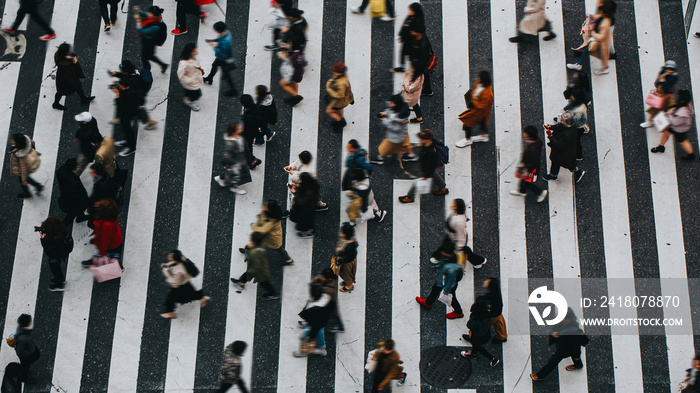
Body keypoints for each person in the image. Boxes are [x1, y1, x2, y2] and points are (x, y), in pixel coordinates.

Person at [531, 308, 587, 380]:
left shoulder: (573, 332)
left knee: (553, 361)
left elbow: (576, 345)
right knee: (573, 356)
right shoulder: (565, 322)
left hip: (565, 348)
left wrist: (577, 355)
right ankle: (578, 365)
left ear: (568, 319)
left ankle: (540, 375)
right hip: (564, 344)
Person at [429, 198, 487, 269]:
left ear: (457, 207)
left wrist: (459, 246)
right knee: (444, 247)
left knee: (464, 251)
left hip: (456, 239)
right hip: (452, 235)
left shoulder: (459, 222)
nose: (451, 205)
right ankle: (437, 257)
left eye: (453, 205)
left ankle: (479, 261)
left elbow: (462, 236)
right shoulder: (456, 213)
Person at [398, 129, 449, 203]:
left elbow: (430, 165)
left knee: (418, 182)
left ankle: (410, 196)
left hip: (426, 169)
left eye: (422, 139)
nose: (420, 140)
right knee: (433, 174)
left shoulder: (429, 151)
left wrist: (425, 175)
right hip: (428, 166)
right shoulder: (430, 144)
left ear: (428, 139)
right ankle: (442, 187)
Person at [566, 0, 615, 75]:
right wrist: (592, 18)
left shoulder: (606, 23)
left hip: (600, 35)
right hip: (601, 32)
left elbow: (601, 36)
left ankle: (604, 68)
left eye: (600, 2)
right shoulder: (604, 11)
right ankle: (612, 53)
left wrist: (593, 32)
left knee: (595, 48)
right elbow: (598, 16)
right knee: (592, 46)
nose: (597, 2)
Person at [415, 246, 465, 319]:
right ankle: (428, 302)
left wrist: (446, 290)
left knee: (452, 297)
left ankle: (458, 312)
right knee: (435, 288)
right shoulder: (452, 258)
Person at [239, 200, 294, 266]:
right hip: (269, 236)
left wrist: (253, 226)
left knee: (279, 249)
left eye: (266, 206)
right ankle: (288, 260)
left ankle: (289, 260)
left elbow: (263, 230)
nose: (264, 206)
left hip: (272, 239)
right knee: (278, 249)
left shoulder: (271, 222)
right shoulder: (274, 214)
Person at [160, 250, 210, 319]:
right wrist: (169, 264)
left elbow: (175, 282)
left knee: (172, 298)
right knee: (192, 294)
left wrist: (165, 272)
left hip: (181, 286)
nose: (169, 256)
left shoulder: (178, 271)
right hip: (186, 283)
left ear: (175, 259)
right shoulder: (182, 260)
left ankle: (170, 312)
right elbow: (176, 263)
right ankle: (202, 299)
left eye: (171, 256)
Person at [111, 59, 146, 156]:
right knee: (126, 127)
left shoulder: (129, 86)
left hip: (128, 109)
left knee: (126, 127)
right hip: (134, 106)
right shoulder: (135, 75)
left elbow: (123, 101)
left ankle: (131, 147)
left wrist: (117, 93)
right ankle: (127, 141)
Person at [231, 232, 280, 300]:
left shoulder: (255, 252)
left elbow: (257, 264)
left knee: (264, 283)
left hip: (259, 270)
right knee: (248, 274)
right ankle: (241, 282)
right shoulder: (260, 245)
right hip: (259, 267)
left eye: (251, 238)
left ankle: (273, 294)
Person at [370, 94, 417, 164]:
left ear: (396, 105)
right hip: (403, 133)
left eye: (392, 103)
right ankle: (411, 155)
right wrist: (386, 114)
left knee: (384, 148)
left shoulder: (399, 118)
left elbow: (396, 128)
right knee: (406, 144)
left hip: (396, 137)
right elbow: (393, 115)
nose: (390, 104)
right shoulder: (402, 111)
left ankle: (380, 158)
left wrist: (384, 120)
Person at [650, 89, 696, 160]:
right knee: (666, 133)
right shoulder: (687, 104)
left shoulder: (683, 113)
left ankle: (691, 155)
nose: (677, 97)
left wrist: (669, 114)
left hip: (680, 129)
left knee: (683, 141)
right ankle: (661, 147)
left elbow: (675, 122)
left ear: (682, 100)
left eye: (679, 96)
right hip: (677, 126)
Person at [542, 113, 586, 183]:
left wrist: (550, 135)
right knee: (556, 161)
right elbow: (560, 126)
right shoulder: (570, 125)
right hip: (563, 151)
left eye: (562, 120)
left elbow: (559, 144)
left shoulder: (568, 134)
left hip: (564, 152)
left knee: (568, 164)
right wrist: (551, 127)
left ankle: (578, 172)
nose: (560, 120)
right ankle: (553, 175)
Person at [82, 198, 124, 269]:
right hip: (116, 241)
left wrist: (101, 252)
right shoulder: (112, 216)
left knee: (112, 257)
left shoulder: (106, 225)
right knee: (115, 256)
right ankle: (120, 267)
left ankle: (119, 267)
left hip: (112, 245)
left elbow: (105, 241)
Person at [456, 71, 494, 147]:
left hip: (479, 112)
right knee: (482, 123)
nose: (477, 78)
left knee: (468, 122)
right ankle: (483, 136)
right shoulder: (481, 85)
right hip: (482, 112)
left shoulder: (487, 93)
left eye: (479, 78)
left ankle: (467, 140)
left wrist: (474, 98)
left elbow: (482, 106)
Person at [510, 126, 548, 202]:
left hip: (529, 168)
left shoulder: (532, 148)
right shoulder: (536, 142)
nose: (524, 134)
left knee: (526, 182)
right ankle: (522, 191)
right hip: (528, 165)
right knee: (523, 179)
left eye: (526, 133)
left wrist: (526, 169)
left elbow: (534, 161)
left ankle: (540, 192)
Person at [294, 282, 332, 357]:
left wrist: (311, 336)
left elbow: (315, 324)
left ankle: (304, 352)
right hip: (320, 321)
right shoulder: (325, 297)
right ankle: (321, 348)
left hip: (315, 322)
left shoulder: (316, 305)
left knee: (303, 336)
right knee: (320, 333)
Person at [52, 43, 94, 111]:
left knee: (77, 87)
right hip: (66, 80)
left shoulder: (60, 56)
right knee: (62, 91)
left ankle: (83, 98)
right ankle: (56, 104)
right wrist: (75, 62)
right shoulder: (64, 64)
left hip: (68, 76)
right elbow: (68, 77)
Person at [214, 122, 251, 194]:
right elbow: (228, 157)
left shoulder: (239, 137)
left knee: (231, 173)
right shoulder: (230, 144)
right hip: (235, 162)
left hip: (239, 160)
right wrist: (236, 164)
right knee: (237, 176)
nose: (241, 128)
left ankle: (220, 178)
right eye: (238, 128)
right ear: (234, 132)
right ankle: (234, 188)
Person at [460, 302, 500, 367]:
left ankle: (493, 359)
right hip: (486, 334)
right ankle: (473, 354)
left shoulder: (475, 319)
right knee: (475, 345)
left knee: (477, 346)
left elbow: (469, 325)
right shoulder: (486, 314)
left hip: (477, 336)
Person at [641, 60, 679, 128]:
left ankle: (651, 122)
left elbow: (667, 88)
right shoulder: (663, 73)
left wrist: (663, 81)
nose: (669, 71)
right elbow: (656, 84)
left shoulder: (674, 77)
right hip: (660, 95)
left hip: (667, 97)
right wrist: (661, 80)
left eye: (671, 69)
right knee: (658, 109)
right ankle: (652, 121)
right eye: (668, 69)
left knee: (659, 109)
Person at [203, 22, 237, 97]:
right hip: (224, 57)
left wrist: (214, 46)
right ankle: (209, 78)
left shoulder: (224, 42)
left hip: (224, 59)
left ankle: (233, 90)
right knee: (214, 65)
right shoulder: (227, 33)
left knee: (227, 75)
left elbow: (222, 54)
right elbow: (221, 38)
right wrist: (215, 40)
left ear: (218, 30)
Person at [39, 216, 73, 291]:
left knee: (55, 267)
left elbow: (49, 252)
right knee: (56, 266)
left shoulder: (54, 240)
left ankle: (60, 284)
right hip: (62, 251)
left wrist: (43, 239)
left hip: (56, 254)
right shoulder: (60, 230)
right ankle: (59, 279)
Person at [134, 5, 168, 73]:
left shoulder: (156, 26)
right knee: (149, 56)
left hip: (149, 42)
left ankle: (146, 71)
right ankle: (163, 65)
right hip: (148, 41)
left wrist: (138, 20)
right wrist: (137, 11)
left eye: (150, 13)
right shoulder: (155, 17)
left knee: (144, 58)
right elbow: (144, 14)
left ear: (154, 15)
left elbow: (142, 31)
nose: (148, 14)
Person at [392, 3, 424, 72]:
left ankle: (416, 68)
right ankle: (402, 66)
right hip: (406, 39)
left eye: (411, 10)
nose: (409, 11)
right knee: (403, 52)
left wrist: (413, 32)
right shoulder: (409, 17)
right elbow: (404, 25)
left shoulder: (418, 20)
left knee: (411, 55)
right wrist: (401, 34)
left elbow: (421, 30)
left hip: (412, 41)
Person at [9, 133, 43, 199]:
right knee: (27, 178)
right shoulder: (28, 141)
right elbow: (32, 144)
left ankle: (27, 193)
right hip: (28, 165)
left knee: (23, 180)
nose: (12, 141)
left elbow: (23, 169)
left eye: (14, 141)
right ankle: (38, 186)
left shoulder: (21, 156)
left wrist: (24, 179)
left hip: (22, 170)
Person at [56, 159, 89, 225]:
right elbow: (81, 192)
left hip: (65, 197)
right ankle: (60, 229)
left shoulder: (60, 171)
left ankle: (80, 217)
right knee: (70, 217)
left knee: (73, 212)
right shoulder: (74, 182)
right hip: (74, 201)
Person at [310, 268, 344, 333]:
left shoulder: (330, 288)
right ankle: (340, 327)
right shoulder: (328, 278)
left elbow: (325, 291)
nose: (322, 278)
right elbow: (319, 278)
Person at [406, 23, 433, 97]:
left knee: (420, 75)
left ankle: (425, 90)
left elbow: (422, 60)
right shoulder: (422, 36)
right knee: (424, 75)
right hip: (422, 60)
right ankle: (427, 90)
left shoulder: (422, 46)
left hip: (421, 63)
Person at [325, 62, 354, 132]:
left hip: (339, 101)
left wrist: (329, 90)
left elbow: (340, 95)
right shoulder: (343, 77)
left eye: (335, 71)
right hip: (344, 101)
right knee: (340, 109)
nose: (333, 72)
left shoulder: (342, 83)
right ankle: (340, 119)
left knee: (329, 111)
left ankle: (340, 122)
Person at [289, 173, 319, 238]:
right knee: (306, 220)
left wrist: (295, 192)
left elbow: (301, 200)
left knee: (305, 221)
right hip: (309, 206)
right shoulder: (312, 183)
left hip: (307, 207)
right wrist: (297, 186)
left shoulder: (308, 191)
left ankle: (309, 232)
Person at [13, 314, 40, 384]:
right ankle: (24, 377)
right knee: (25, 366)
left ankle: (24, 371)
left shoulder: (20, 329)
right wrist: (29, 354)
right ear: (28, 323)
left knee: (26, 364)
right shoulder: (25, 338)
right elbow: (21, 350)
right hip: (26, 355)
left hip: (26, 351)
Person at [177, 43, 204, 111]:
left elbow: (197, 65)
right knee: (195, 94)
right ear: (190, 52)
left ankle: (188, 98)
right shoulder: (184, 63)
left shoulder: (195, 57)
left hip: (195, 79)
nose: (196, 52)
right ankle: (188, 101)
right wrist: (190, 80)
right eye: (194, 51)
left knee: (195, 93)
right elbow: (181, 75)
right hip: (191, 83)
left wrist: (200, 70)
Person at [479, 278, 507, 343]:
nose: (485, 282)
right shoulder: (496, 291)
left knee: (481, 325)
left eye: (487, 282)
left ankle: (473, 336)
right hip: (497, 312)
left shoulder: (490, 296)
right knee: (499, 323)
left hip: (491, 314)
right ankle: (502, 337)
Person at [240, 94, 265, 168]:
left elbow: (246, 128)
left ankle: (250, 163)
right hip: (255, 130)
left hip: (248, 134)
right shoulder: (257, 107)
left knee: (247, 148)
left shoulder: (247, 118)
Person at [334, 223, 359, 292]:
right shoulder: (351, 240)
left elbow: (345, 255)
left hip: (347, 262)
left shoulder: (349, 246)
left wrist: (339, 251)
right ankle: (347, 281)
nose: (340, 233)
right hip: (350, 259)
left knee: (346, 273)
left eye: (342, 232)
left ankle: (349, 286)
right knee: (347, 273)